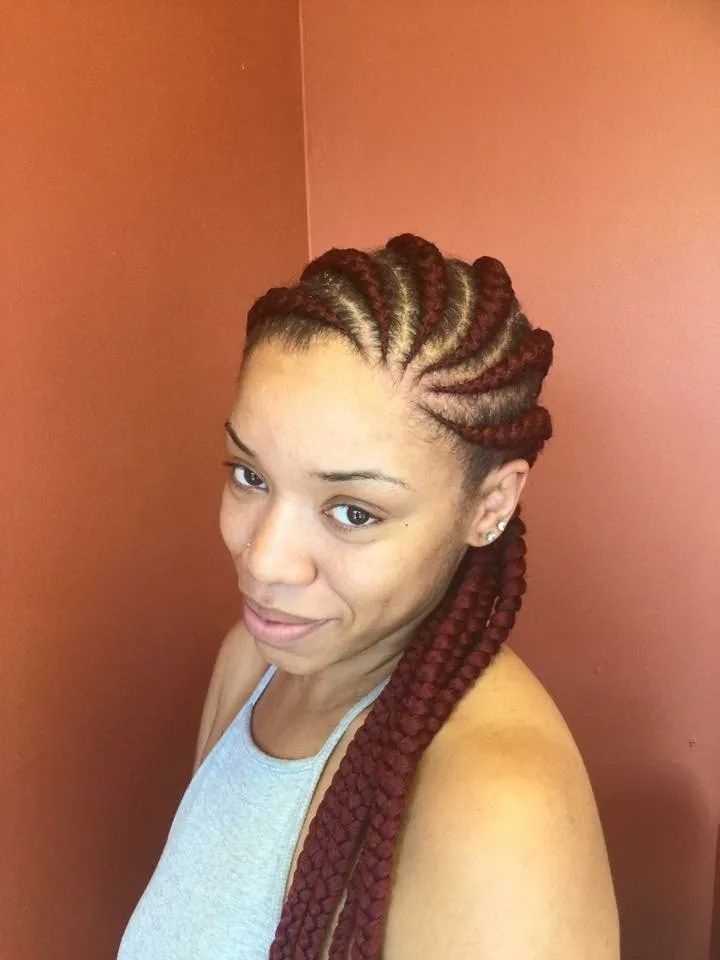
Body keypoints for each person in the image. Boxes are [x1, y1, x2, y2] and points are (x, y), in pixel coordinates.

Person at [117, 233, 620, 959]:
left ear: (490, 506)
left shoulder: (501, 808)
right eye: (250, 476)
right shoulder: (253, 666)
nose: (264, 561)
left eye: (354, 511)